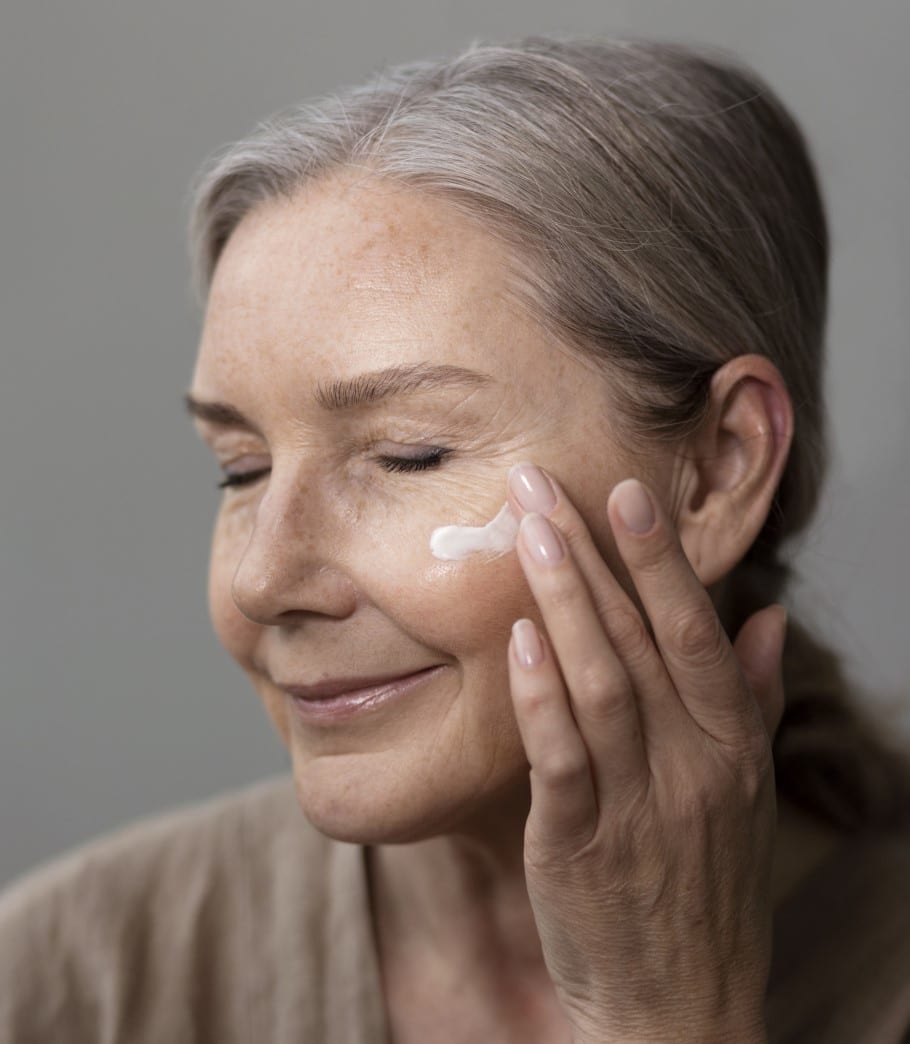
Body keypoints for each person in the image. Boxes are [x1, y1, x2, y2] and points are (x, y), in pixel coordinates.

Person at [2, 32, 910, 1044]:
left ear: (717, 467)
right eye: (241, 469)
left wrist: (666, 1018)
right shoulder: (61, 985)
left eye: (409, 455)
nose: (263, 579)